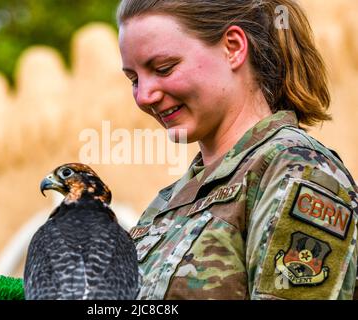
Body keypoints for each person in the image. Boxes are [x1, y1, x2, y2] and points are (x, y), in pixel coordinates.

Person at [117, 0, 358, 300]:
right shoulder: (170, 202)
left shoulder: (298, 172)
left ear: (233, 47)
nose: (144, 96)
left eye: (163, 68)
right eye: (134, 79)